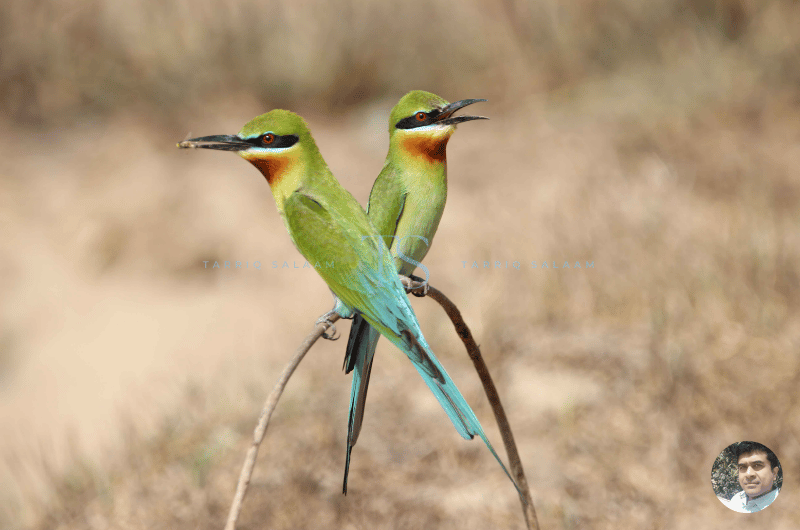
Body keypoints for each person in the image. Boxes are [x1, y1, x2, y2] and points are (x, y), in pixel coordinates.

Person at [723, 441, 781, 513]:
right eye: (743, 467)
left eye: (757, 465)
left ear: (774, 473)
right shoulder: (737, 499)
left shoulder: (781, 509)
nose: (749, 474)